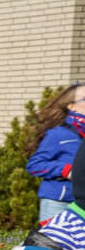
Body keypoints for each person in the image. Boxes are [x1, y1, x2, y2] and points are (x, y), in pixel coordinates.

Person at [26, 83, 85, 222]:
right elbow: (34, 165)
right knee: (52, 237)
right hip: (59, 203)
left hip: (82, 205)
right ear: (71, 106)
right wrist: (66, 170)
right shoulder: (58, 134)